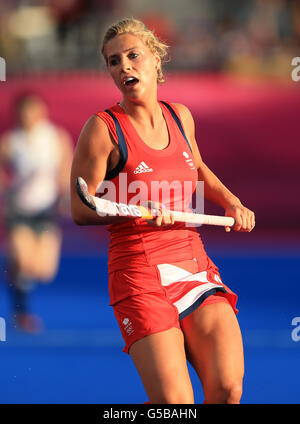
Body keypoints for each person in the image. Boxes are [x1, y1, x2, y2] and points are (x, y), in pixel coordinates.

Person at [70, 18, 255, 404]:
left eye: (133, 56)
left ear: (156, 59)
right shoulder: (103, 129)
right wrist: (137, 211)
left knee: (228, 389)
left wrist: (231, 201)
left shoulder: (180, 116)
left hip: (193, 265)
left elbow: (198, 167)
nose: (124, 67)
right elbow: (80, 206)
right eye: (114, 61)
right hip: (138, 273)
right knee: (174, 406)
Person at [0, 93, 73, 333]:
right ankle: (21, 311)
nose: (28, 116)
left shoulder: (55, 138)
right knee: (23, 261)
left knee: (43, 270)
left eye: (33, 111)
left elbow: (65, 168)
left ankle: (15, 272)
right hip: (18, 210)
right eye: (24, 111)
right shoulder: (11, 141)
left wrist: (64, 196)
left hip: (46, 211)